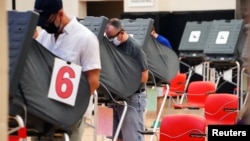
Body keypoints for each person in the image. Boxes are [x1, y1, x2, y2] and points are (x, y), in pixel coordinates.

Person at [34, 0, 101, 140]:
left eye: (48, 21)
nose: (45, 26)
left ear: (60, 13)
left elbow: (93, 81)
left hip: (70, 115)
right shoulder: (44, 36)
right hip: (43, 112)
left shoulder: (86, 38)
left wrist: (72, 112)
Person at [105, 18, 149, 141]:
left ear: (122, 33)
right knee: (114, 136)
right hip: (114, 97)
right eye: (107, 37)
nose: (110, 40)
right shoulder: (111, 46)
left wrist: (125, 87)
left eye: (112, 37)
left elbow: (144, 76)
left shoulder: (135, 48)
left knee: (132, 137)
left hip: (133, 98)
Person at [150, 26, 173, 128]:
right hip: (150, 72)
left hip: (160, 72)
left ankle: (158, 119)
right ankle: (148, 118)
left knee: (158, 96)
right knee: (149, 96)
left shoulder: (163, 41)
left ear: (153, 32)